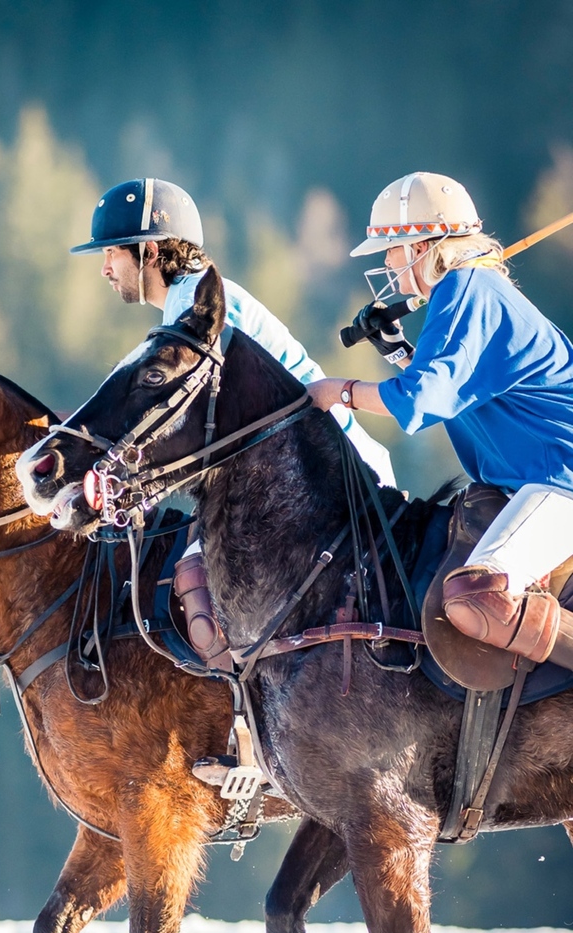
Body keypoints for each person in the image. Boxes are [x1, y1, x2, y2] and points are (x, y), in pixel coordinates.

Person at [307, 171, 573, 669]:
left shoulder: (467, 288)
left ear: (424, 245)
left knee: (474, 595)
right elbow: (456, 388)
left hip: (561, 479)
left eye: (392, 248)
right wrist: (396, 352)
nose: (388, 261)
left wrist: (338, 392)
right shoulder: (472, 289)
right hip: (538, 478)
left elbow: (418, 403)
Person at [70, 177, 396, 488]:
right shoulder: (188, 300)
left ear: (150, 252)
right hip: (308, 464)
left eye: (112, 252)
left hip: (337, 473)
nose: (105, 268)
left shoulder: (195, 307)